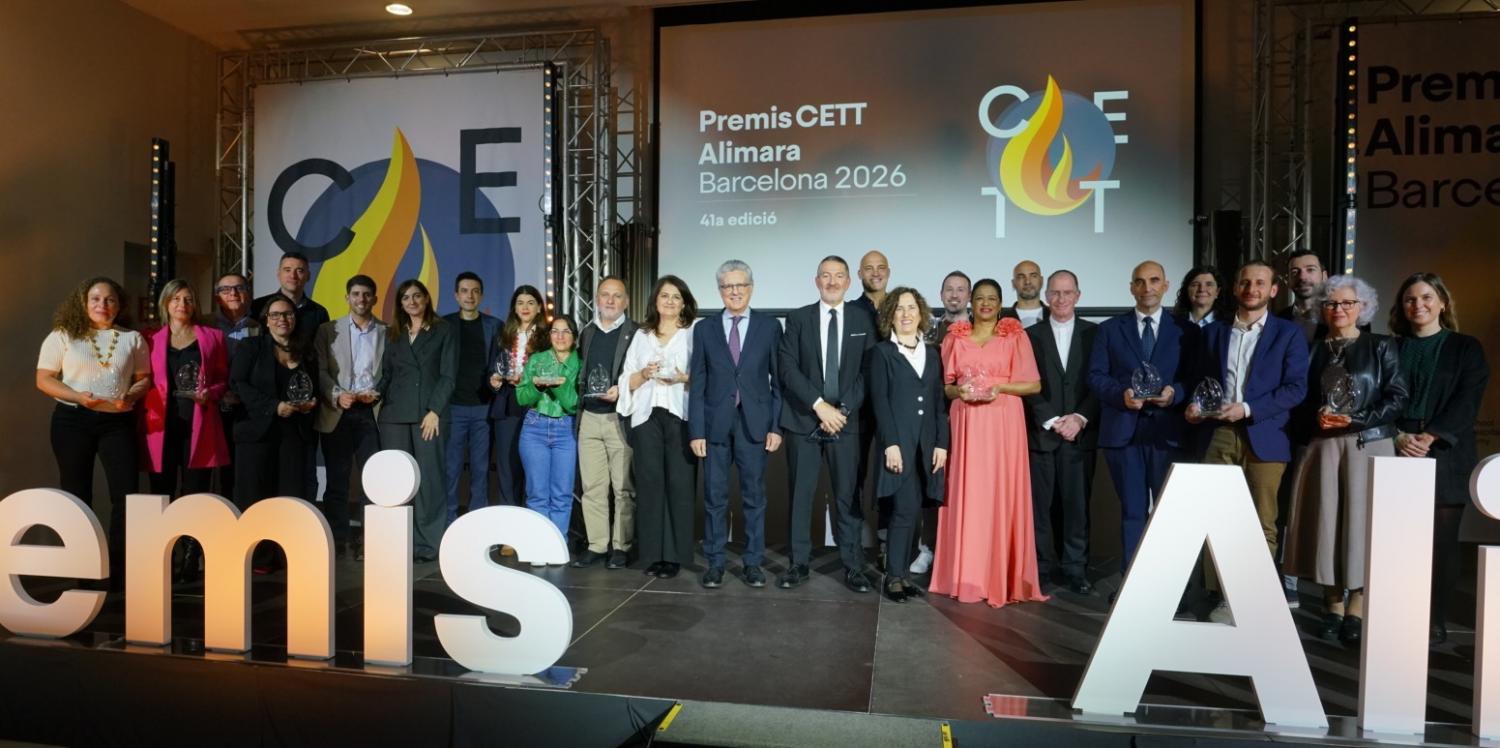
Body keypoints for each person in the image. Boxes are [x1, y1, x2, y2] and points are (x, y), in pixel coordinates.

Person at [1284, 275, 1408, 648]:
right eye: (1331, 303)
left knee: (1364, 526)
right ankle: (1332, 604)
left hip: (1368, 444)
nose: (1339, 309)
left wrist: (1355, 420)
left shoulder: (1381, 345)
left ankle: (1358, 605)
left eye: (1347, 303)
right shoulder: (1310, 350)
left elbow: (1398, 397)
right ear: (1322, 309)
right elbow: (1298, 400)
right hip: (1323, 446)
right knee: (1327, 526)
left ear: (1363, 307)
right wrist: (1315, 418)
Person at [1183, 262, 1309, 622]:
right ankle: (1222, 595)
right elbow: (1199, 381)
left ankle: (1252, 599)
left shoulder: (1289, 334)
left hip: (1266, 434)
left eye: (1260, 283)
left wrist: (1248, 409)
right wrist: (1195, 404)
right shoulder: (1214, 333)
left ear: (1273, 290)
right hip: (1218, 433)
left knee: (1262, 521)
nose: (1252, 288)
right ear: (1235, 288)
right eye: (1245, 282)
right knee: (1217, 516)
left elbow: (1296, 388)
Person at [930, 278, 1044, 607]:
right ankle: (966, 575)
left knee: (1000, 493)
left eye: (992, 298)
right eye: (980, 298)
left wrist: (1001, 388)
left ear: (1000, 302)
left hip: (1004, 422)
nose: (985, 304)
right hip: (966, 422)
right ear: (971, 302)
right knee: (967, 492)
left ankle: (1000, 576)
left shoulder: (1015, 336)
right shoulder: (955, 337)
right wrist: (959, 391)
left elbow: (1034, 385)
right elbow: (946, 387)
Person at [1388, 272, 1488, 644]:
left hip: (1446, 451)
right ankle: (1397, 614)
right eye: (1410, 299)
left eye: (1427, 297)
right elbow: (1377, 397)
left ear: (1442, 302)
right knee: (1397, 540)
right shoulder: (1389, 347)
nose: (1419, 305)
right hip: (1396, 448)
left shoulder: (1466, 348)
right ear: (1402, 307)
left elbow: (1467, 401)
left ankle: (1434, 619)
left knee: (1442, 544)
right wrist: (1398, 436)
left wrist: (1430, 436)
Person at [36, 277, 150, 586]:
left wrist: (131, 395)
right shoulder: (63, 335)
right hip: (72, 420)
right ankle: (82, 571)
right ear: (83, 303)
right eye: (96, 299)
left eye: (110, 299)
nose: (103, 305)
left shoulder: (132, 338)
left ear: (119, 305)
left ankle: (121, 571)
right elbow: (44, 379)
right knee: (77, 493)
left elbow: (144, 378)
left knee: (126, 496)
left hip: (117, 422)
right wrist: (77, 397)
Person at [778, 256, 876, 593]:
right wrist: (819, 406)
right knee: (801, 495)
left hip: (847, 422)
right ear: (816, 281)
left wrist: (842, 410)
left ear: (849, 282)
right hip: (804, 419)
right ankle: (798, 564)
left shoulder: (864, 319)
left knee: (847, 496)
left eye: (838, 276)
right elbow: (787, 367)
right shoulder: (798, 318)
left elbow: (868, 370)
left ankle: (853, 566)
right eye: (825, 275)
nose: (832, 282)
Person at [1088, 260, 1188, 583]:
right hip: (1124, 431)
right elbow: (1096, 376)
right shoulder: (1109, 329)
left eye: (1154, 280)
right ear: (1131, 287)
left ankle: (1168, 585)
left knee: (1168, 513)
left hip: (1167, 432)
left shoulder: (1185, 331)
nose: (1147, 288)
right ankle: (1133, 586)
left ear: (1166, 286)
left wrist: (1175, 393)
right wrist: (1121, 395)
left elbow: (1194, 378)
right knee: (1132, 511)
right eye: (1140, 282)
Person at [690, 260, 783, 588]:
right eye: (728, 286)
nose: (735, 291)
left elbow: (778, 382)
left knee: (754, 499)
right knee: (714, 498)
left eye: (740, 285)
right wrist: (696, 431)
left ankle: (753, 563)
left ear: (751, 288)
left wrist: (776, 426)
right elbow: (698, 383)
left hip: (755, 425)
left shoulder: (769, 327)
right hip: (715, 425)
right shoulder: (704, 329)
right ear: (720, 290)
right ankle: (715, 563)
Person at [142, 280, 230, 581]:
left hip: (199, 425)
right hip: (160, 427)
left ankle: (192, 557)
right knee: (161, 492)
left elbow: (222, 379)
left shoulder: (213, 337)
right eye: (176, 299)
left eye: (189, 299)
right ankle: (164, 554)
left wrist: (210, 393)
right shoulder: (150, 338)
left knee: (196, 494)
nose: (182, 304)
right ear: (166, 303)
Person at [1023, 270, 1099, 595]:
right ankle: (1041, 568)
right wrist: (1051, 419)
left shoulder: (1096, 334)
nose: (1061, 298)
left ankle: (1075, 569)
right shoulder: (1029, 335)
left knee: (1077, 508)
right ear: (1046, 296)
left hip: (1080, 435)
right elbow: (1024, 382)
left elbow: (1101, 381)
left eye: (1067, 293)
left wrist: (1080, 418)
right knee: (1040, 510)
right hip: (1043, 436)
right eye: (1055, 292)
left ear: (1078, 296)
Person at [870, 287, 948, 602]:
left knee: (914, 510)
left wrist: (942, 444)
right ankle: (894, 577)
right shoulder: (882, 353)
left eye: (911, 308)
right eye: (899, 308)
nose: (906, 314)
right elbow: (880, 402)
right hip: (899, 446)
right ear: (890, 315)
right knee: (903, 510)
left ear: (921, 313)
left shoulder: (933, 353)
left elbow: (939, 404)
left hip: (926, 448)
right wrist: (890, 444)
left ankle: (902, 575)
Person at [230, 296, 319, 571]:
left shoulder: (306, 352)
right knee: (256, 496)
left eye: (288, 314)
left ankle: (286, 555)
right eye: (276, 315)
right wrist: (273, 406)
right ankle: (258, 557)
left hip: (294, 433)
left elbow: (313, 386)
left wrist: (310, 404)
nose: (283, 319)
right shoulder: (252, 347)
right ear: (266, 321)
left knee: (290, 496)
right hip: (257, 433)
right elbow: (238, 383)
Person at [617, 277, 697, 580]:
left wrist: (682, 378)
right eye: (665, 296)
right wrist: (644, 373)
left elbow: (704, 376)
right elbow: (627, 379)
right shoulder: (642, 335)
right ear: (655, 301)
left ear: (684, 302)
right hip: (646, 417)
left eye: (676, 297)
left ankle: (673, 556)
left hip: (680, 416)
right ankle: (652, 554)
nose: (670, 301)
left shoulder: (693, 333)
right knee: (650, 485)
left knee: (679, 485)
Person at [377, 280, 456, 564]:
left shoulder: (443, 330)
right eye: (405, 298)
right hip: (394, 416)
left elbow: (448, 376)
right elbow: (387, 374)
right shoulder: (394, 333)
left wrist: (435, 410)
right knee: (398, 481)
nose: (411, 302)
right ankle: (400, 542)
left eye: (417, 296)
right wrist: (373, 393)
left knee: (429, 480)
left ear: (426, 299)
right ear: (400, 303)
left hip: (427, 416)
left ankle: (427, 545)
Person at [314, 275, 386, 558]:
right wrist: (336, 394)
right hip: (338, 412)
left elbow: (390, 372)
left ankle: (371, 540)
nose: (361, 299)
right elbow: (320, 370)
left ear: (375, 298)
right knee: (337, 481)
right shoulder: (327, 330)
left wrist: (377, 392)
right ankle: (338, 540)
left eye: (367, 294)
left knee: (373, 481)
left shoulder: (387, 331)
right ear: (347, 298)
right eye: (356, 294)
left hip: (372, 413)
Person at [571, 276, 639, 569]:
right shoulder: (587, 333)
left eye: (617, 295)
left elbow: (640, 374)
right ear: (597, 300)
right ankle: (597, 545)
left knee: (623, 489)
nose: (610, 301)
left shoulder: (636, 333)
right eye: (605, 295)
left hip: (619, 419)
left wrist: (622, 390)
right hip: (589, 418)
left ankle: (621, 546)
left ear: (626, 301)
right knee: (592, 488)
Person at [515, 315, 582, 540]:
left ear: (574, 337)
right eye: (555, 331)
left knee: (562, 494)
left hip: (566, 429)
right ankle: (540, 544)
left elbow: (574, 405)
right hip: (534, 428)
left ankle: (558, 545)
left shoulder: (580, 363)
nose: (560, 336)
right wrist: (538, 387)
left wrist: (560, 386)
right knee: (537, 494)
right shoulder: (537, 359)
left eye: (566, 331)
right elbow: (522, 398)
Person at [443, 272, 501, 525]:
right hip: (453, 408)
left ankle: (478, 525)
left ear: (481, 295)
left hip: (483, 409)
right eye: (465, 291)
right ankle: (448, 523)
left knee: (481, 470)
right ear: (456, 295)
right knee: (451, 470)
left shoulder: (494, 326)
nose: (470, 296)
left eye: (475, 291)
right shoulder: (444, 325)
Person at [489, 285, 546, 508]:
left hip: (535, 404)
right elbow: (492, 368)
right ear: (514, 307)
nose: (525, 307)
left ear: (539, 307)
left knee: (532, 466)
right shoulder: (503, 336)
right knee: (507, 466)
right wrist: (494, 381)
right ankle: (509, 519)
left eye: (530, 303)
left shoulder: (548, 338)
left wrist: (530, 379)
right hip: (507, 403)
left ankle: (530, 517)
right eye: (520, 303)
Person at [213, 273, 259, 501]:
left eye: (239, 288)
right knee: (215, 470)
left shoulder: (261, 326)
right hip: (213, 406)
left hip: (248, 408)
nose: (233, 293)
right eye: (225, 289)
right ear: (216, 297)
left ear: (248, 294)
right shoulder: (205, 325)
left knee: (245, 470)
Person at [250, 252, 330, 340]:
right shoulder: (258, 307)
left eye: (300, 271)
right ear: (278, 274)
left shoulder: (319, 313)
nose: (293, 276)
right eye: (287, 270)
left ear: (308, 276)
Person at [1278, 250, 1327, 342]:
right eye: (1295, 272)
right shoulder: (1278, 320)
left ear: (1324, 276)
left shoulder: (1337, 316)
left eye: (1310, 270)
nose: (1302, 277)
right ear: (1288, 280)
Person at [1003, 260, 1048, 328]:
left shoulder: (1056, 315)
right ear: (1013, 283)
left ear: (1041, 281)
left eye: (1033, 276)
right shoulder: (999, 317)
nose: (1027, 282)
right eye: (1021, 277)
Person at [931, 271, 972, 344]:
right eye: (949, 289)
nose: (954, 295)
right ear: (941, 295)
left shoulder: (980, 329)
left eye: (960, 290)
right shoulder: (931, 331)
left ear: (969, 296)